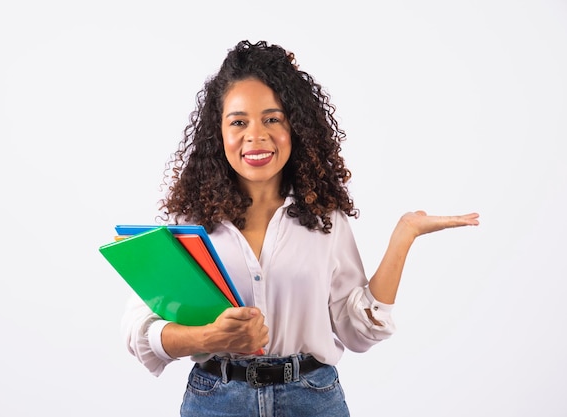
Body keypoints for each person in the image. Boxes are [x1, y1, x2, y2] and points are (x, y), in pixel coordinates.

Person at [121, 40, 479, 416]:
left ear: (296, 128)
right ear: (218, 132)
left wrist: (404, 235)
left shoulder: (324, 218)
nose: (256, 135)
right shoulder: (188, 223)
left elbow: (357, 331)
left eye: (272, 119)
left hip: (311, 398)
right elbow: (140, 329)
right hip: (216, 401)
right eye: (239, 121)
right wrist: (210, 337)